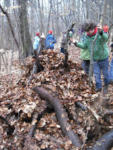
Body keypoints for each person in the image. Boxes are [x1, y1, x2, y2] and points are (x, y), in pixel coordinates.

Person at [72, 22, 109, 93]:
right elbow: (84, 46)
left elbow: (105, 39)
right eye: (87, 31)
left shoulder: (99, 34)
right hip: (94, 59)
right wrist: (76, 43)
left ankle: (106, 87)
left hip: (104, 58)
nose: (89, 32)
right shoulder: (87, 37)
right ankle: (98, 88)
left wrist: (101, 32)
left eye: (90, 30)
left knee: (105, 74)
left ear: (93, 28)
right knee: (97, 74)